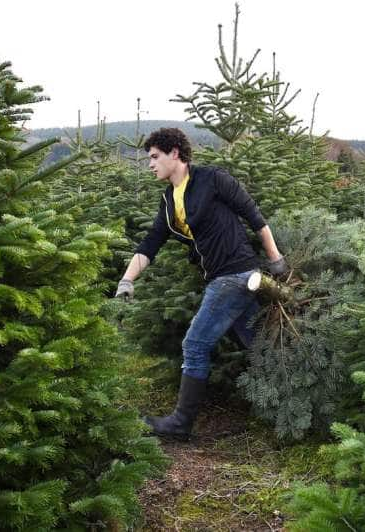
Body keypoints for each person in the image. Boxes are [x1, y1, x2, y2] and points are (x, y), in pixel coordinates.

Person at [115, 127, 287, 440]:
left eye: (155, 157)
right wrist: (127, 279)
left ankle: (180, 424)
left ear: (175, 154)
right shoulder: (169, 202)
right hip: (227, 278)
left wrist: (275, 259)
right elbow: (151, 243)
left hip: (235, 275)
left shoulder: (211, 179)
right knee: (257, 346)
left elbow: (254, 216)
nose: (150, 164)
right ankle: (290, 404)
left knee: (195, 344)